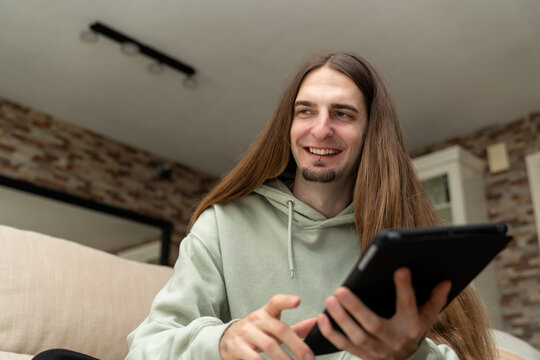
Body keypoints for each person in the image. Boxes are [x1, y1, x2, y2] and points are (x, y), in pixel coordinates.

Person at [125, 52, 496, 360]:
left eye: (342, 114)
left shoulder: (402, 241)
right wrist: (221, 341)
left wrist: (407, 354)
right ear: (287, 125)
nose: (320, 129)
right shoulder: (222, 224)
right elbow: (145, 348)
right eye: (305, 111)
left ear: (371, 132)